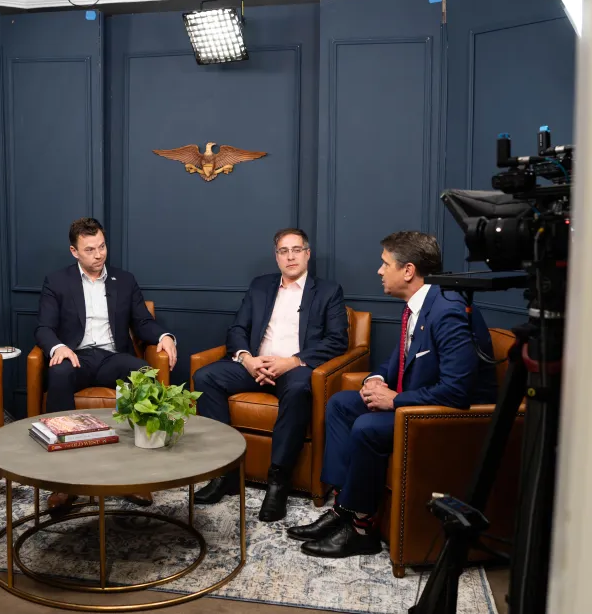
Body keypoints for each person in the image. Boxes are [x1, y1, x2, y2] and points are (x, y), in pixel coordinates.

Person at [286, 231, 497, 557]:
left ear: (408, 270)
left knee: (368, 428)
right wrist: (375, 379)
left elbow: (456, 391)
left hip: (451, 420)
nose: (380, 271)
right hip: (417, 404)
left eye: (385, 264)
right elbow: (398, 359)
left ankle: (360, 530)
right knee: (342, 403)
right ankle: (344, 508)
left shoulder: (447, 311)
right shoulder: (418, 305)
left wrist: (395, 399)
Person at [192, 228, 348, 522]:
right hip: (255, 365)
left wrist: (292, 362)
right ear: (276, 257)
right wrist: (248, 359)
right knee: (205, 377)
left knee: (301, 388)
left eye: (296, 250)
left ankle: (278, 482)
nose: (290, 256)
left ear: (307, 254)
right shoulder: (260, 286)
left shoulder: (328, 291)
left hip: (294, 370)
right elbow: (237, 329)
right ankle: (224, 473)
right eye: (283, 251)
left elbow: (337, 341)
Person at [35, 217, 178, 511]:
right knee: (58, 373)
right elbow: (43, 328)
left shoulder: (124, 280)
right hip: (78, 356)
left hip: (113, 356)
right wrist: (60, 347)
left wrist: (164, 336)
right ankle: (64, 482)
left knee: (144, 375)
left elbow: (142, 321)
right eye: (89, 250)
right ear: (74, 252)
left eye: (102, 247)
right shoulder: (57, 281)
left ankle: (136, 478)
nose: (98, 255)